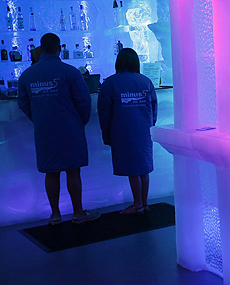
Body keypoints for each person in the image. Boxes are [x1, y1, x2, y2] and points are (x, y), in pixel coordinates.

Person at [17, 33, 100, 225]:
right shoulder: (70, 72)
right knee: (73, 170)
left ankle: (55, 215)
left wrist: (38, 119)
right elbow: (84, 100)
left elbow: (23, 102)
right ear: (59, 48)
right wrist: (80, 121)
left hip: (45, 130)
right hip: (70, 128)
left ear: (41, 48)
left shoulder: (28, 75)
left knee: (51, 171)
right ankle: (78, 212)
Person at [98, 48, 157, 214]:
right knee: (144, 167)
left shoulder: (110, 83)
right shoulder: (146, 82)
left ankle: (137, 204)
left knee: (132, 168)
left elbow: (104, 112)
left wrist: (106, 132)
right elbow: (154, 107)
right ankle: (144, 204)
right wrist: (150, 125)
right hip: (144, 130)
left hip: (122, 130)